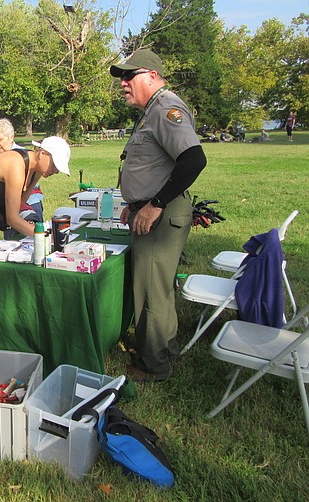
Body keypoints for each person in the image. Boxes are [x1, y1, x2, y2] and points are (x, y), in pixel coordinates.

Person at [109, 49, 207, 382]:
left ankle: (154, 366)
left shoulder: (166, 109)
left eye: (128, 75)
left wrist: (153, 205)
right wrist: (135, 201)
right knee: (159, 287)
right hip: (155, 209)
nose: (123, 83)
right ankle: (165, 347)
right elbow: (154, 165)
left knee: (149, 290)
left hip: (161, 216)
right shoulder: (154, 110)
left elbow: (194, 159)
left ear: (151, 76)